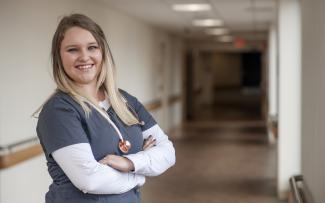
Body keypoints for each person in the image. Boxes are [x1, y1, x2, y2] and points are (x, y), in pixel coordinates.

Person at [36, 13, 176, 203]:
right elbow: (90, 180)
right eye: (72, 50)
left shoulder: (125, 101)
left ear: (103, 52)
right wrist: (140, 174)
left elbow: (167, 152)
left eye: (92, 47)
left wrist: (129, 162)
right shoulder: (59, 111)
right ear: (59, 57)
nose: (84, 57)